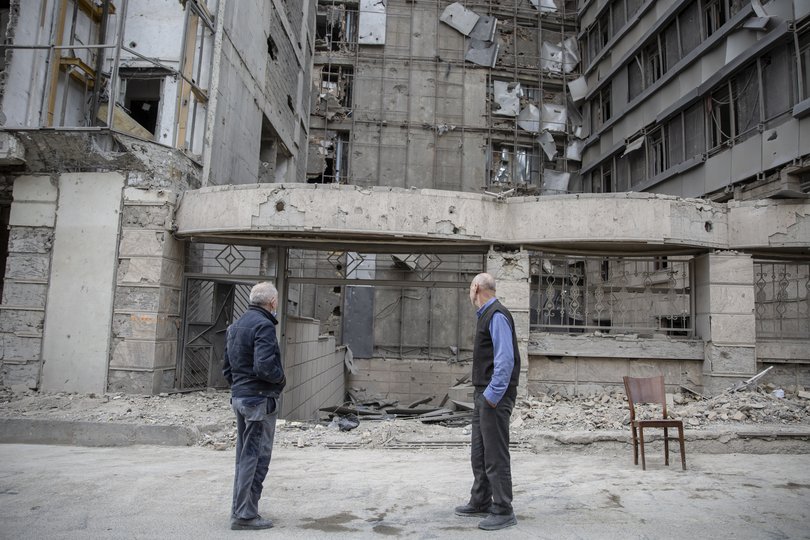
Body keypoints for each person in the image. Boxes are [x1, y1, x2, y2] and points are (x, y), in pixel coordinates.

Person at [455, 272, 520, 531]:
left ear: (476, 287)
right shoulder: (486, 315)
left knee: (495, 454)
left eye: (470, 289)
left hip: (494, 395)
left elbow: (505, 361)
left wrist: (492, 397)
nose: (469, 294)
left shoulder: (497, 315)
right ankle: (481, 499)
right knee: (480, 452)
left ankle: (503, 509)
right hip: (484, 393)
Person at [223, 281, 286, 530]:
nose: (277, 306)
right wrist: (281, 379)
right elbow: (264, 366)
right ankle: (245, 515)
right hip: (259, 399)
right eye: (277, 302)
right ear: (272, 303)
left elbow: (227, 367)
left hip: (240, 397)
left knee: (244, 456)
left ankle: (240, 509)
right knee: (256, 457)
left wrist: (240, 386)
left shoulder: (236, 325)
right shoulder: (264, 325)